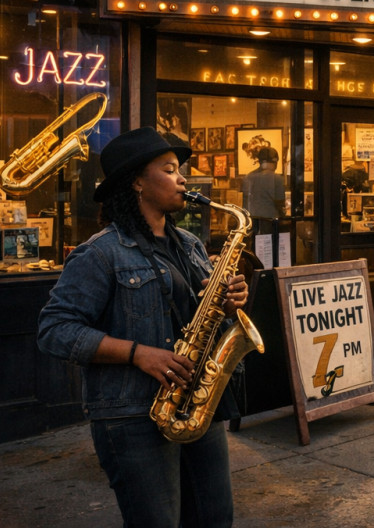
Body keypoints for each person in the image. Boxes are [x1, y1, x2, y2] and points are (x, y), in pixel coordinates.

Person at [37, 127, 249, 527]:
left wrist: (227, 304)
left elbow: (203, 319)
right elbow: (54, 330)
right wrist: (138, 354)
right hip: (134, 416)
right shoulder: (99, 253)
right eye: (169, 169)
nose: (182, 179)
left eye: (179, 169)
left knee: (215, 519)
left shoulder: (189, 244)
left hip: (198, 405)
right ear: (136, 182)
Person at [241, 145, 285, 235]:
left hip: (252, 222)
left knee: (256, 242)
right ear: (274, 162)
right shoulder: (276, 178)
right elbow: (280, 202)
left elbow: (245, 201)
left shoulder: (248, 177)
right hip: (270, 222)